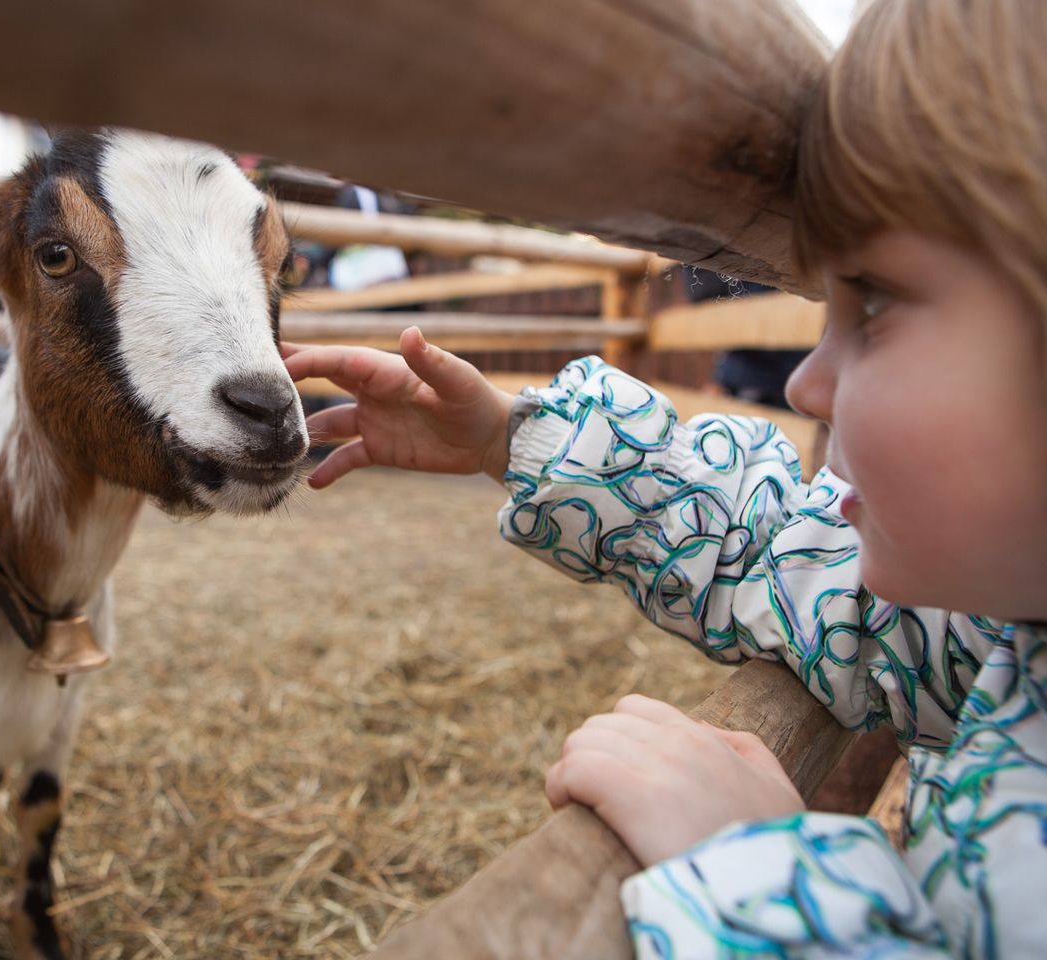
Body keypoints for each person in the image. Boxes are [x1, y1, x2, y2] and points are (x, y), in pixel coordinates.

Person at [283, 0, 1047, 954]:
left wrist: (770, 882)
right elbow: (788, 561)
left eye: (876, 304)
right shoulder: (999, 625)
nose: (806, 384)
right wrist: (511, 440)